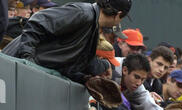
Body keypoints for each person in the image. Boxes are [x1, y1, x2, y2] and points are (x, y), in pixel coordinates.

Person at [2, 0, 132, 84]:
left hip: (24, 75)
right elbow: (37, 23)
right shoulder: (83, 13)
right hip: (12, 68)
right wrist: (27, 60)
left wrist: (86, 77)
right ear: (118, 14)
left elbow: (72, 63)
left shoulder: (92, 25)